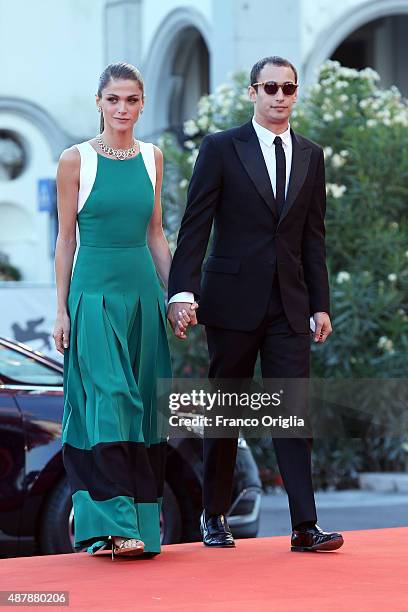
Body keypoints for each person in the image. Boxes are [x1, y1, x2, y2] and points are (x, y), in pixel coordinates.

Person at [167, 56, 344, 552]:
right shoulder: (222, 148)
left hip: (290, 305)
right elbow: (196, 223)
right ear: (252, 92)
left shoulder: (310, 154)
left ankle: (305, 527)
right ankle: (214, 514)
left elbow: (313, 236)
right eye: (270, 87)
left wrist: (320, 303)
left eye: (288, 87)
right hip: (231, 301)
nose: (280, 96)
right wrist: (183, 291)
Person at [53, 62, 183, 559]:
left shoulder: (153, 156)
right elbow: (66, 239)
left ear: (142, 103)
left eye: (131, 100)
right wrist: (61, 310)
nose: (122, 108)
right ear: (99, 102)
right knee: (110, 401)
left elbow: (155, 233)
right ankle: (113, 526)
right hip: (92, 295)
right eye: (113, 99)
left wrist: (176, 296)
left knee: (146, 408)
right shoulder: (75, 159)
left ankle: (142, 532)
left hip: (142, 296)